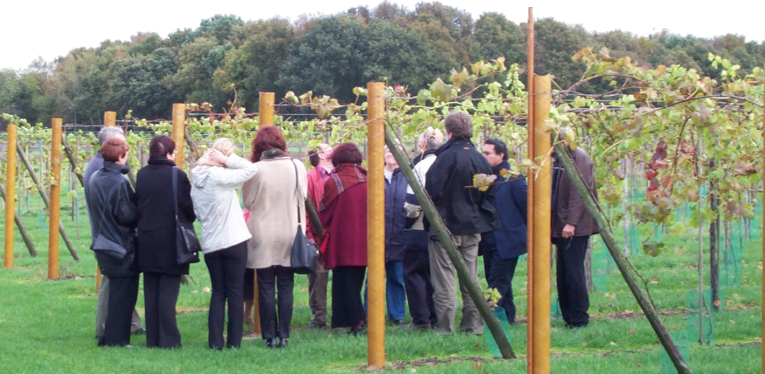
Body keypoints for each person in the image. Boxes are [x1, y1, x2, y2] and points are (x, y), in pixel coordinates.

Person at [424, 111, 501, 335]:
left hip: (445, 226)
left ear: (449, 132)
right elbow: (488, 193)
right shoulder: (480, 159)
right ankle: (472, 325)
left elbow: (432, 192)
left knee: (444, 279)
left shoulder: (444, 159)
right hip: (472, 226)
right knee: (471, 279)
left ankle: (445, 328)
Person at [191, 138, 259, 350]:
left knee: (218, 292)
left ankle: (215, 342)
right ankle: (234, 342)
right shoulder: (220, 175)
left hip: (211, 242)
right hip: (232, 240)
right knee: (235, 291)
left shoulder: (196, 178)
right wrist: (228, 160)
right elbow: (250, 169)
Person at [242, 126, 307, 349]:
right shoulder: (297, 166)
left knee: (266, 284)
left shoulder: (254, 169)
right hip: (290, 229)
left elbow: (248, 202)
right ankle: (284, 335)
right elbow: (303, 195)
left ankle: (269, 336)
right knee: (286, 284)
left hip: (262, 230)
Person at [135, 135, 196, 349]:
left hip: (146, 239)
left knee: (151, 290)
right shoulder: (177, 175)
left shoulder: (141, 175)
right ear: (169, 153)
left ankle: (153, 338)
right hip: (171, 240)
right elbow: (188, 208)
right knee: (168, 292)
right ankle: (169, 340)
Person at [84, 126, 144, 340]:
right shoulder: (119, 181)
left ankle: (114, 332)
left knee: (116, 290)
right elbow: (126, 215)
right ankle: (113, 336)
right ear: (121, 155)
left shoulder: (96, 176)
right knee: (121, 293)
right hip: (119, 242)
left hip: (104, 240)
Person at [317, 143, 368, 335]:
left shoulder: (335, 181)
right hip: (365, 241)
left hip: (342, 242)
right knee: (355, 281)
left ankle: (355, 323)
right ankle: (357, 321)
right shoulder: (368, 179)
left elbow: (324, 213)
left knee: (344, 282)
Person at [551, 128, 598, 329]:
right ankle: (569, 317)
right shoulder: (561, 160)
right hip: (562, 224)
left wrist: (571, 222)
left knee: (573, 271)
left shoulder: (579, 158)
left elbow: (580, 192)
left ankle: (579, 317)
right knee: (563, 272)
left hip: (574, 227)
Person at [479, 138, 527, 324]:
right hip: (491, 240)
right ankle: (507, 317)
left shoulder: (513, 179)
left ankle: (491, 320)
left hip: (507, 240)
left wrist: (519, 231)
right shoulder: (487, 179)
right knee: (499, 279)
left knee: (497, 281)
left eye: (488, 153)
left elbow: (527, 207)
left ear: (501, 155)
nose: (484, 156)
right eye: (483, 152)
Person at [402, 128, 443, 329]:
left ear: (422, 146)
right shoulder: (446, 164)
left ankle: (420, 318)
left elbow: (412, 204)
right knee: (435, 273)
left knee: (414, 272)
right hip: (444, 228)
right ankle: (436, 315)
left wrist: (406, 225)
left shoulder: (420, 166)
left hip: (419, 228)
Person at [304, 144, 333, 329]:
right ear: (321, 155)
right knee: (318, 276)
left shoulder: (338, 173)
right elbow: (304, 206)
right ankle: (319, 316)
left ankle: (341, 314)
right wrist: (308, 232)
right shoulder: (310, 177)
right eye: (330, 148)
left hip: (336, 233)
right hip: (318, 234)